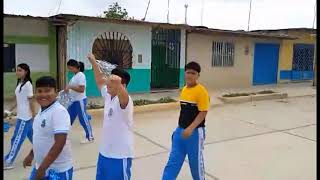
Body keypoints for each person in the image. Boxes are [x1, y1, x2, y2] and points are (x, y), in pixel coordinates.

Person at [87, 53, 134, 180]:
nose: (108, 83)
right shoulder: (108, 95)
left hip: (119, 157)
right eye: (109, 80)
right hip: (104, 154)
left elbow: (123, 97)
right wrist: (94, 63)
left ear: (122, 86)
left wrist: (117, 83)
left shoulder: (126, 101)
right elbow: (99, 80)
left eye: (112, 81)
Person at [162, 61, 210, 180]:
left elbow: (203, 112)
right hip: (180, 133)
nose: (190, 75)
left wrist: (191, 128)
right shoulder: (184, 90)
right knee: (172, 163)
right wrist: (179, 131)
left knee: (196, 166)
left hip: (195, 134)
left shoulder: (201, 91)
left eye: (193, 73)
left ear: (198, 75)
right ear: (184, 73)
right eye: (188, 72)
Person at [23, 76, 73, 180]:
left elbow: (59, 143)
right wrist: (31, 154)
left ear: (56, 92)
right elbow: (41, 138)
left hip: (58, 171)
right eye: (39, 91)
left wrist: (42, 169)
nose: (43, 94)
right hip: (40, 166)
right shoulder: (40, 112)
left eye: (48, 90)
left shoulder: (59, 112)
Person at [4, 63, 36, 170]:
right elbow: (17, 100)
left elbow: (31, 101)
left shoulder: (28, 85)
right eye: (17, 70)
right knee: (34, 138)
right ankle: (46, 150)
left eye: (20, 70)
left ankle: (9, 161)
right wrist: (9, 110)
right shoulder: (20, 83)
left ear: (26, 72)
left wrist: (34, 115)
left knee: (17, 139)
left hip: (26, 118)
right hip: (21, 116)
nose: (17, 72)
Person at [65, 59, 94, 144]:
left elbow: (81, 89)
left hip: (80, 100)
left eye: (70, 68)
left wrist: (70, 87)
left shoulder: (81, 75)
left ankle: (90, 137)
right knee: (68, 118)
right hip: (73, 101)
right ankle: (63, 135)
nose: (69, 70)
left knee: (82, 119)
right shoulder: (75, 76)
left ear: (75, 67)